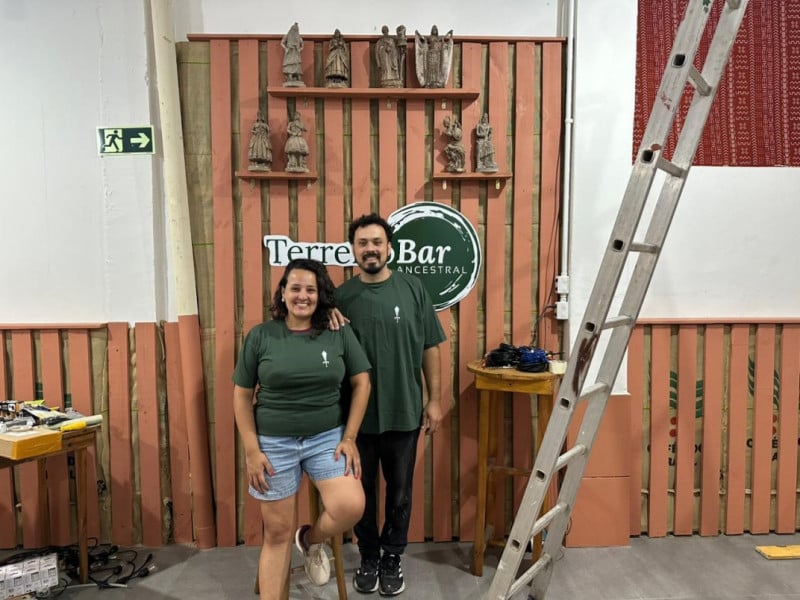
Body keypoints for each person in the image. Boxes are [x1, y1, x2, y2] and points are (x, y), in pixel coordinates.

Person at [232, 258, 371, 599]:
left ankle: (311, 540)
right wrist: (252, 449)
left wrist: (349, 437)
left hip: (326, 439)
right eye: (295, 288)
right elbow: (241, 395)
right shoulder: (261, 336)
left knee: (351, 506)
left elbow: (362, 382)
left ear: (320, 296)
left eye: (311, 289)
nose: (302, 296)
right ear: (282, 293)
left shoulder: (338, 332)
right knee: (276, 533)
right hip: (273, 444)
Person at [334, 213, 446, 596]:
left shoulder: (414, 289)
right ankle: (368, 555)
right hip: (355, 420)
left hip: (404, 412)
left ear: (389, 248)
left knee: (399, 492)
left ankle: (392, 556)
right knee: (360, 493)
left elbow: (430, 347)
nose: (370, 249)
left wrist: (434, 399)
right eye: (363, 243)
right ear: (353, 250)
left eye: (376, 242)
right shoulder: (341, 297)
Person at [281, 22, 304, 87]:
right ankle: (290, 76)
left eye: (296, 30)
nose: (295, 31)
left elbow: (302, 45)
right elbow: (282, 43)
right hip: (290, 52)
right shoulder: (287, 36)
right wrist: (286, 48)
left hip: (296, 52)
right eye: (294, 29)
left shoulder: (299, 37)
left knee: (297, 64)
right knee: (290, 64)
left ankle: (297, 76)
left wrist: (300, 49)